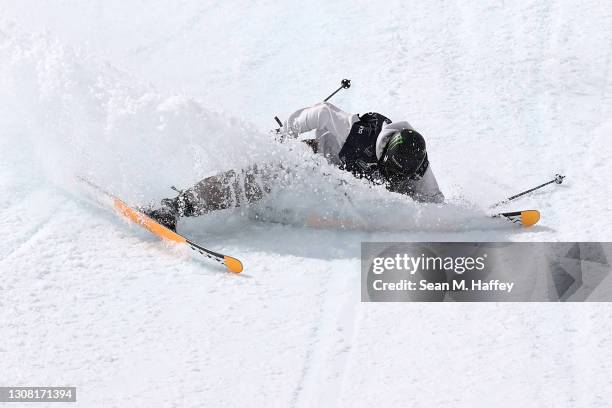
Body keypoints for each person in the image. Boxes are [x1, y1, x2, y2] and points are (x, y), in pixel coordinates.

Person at [143, 102, 444, 231]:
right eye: (391, 171)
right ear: (384, 152)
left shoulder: (416, 167)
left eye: (401, 176)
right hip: (317, 161)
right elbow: (320, 112)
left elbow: (434, 203)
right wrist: (285, 135)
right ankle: (179, 206)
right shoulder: (355, 132)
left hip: (343, 190)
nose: (395, 178)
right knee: (262, 177)